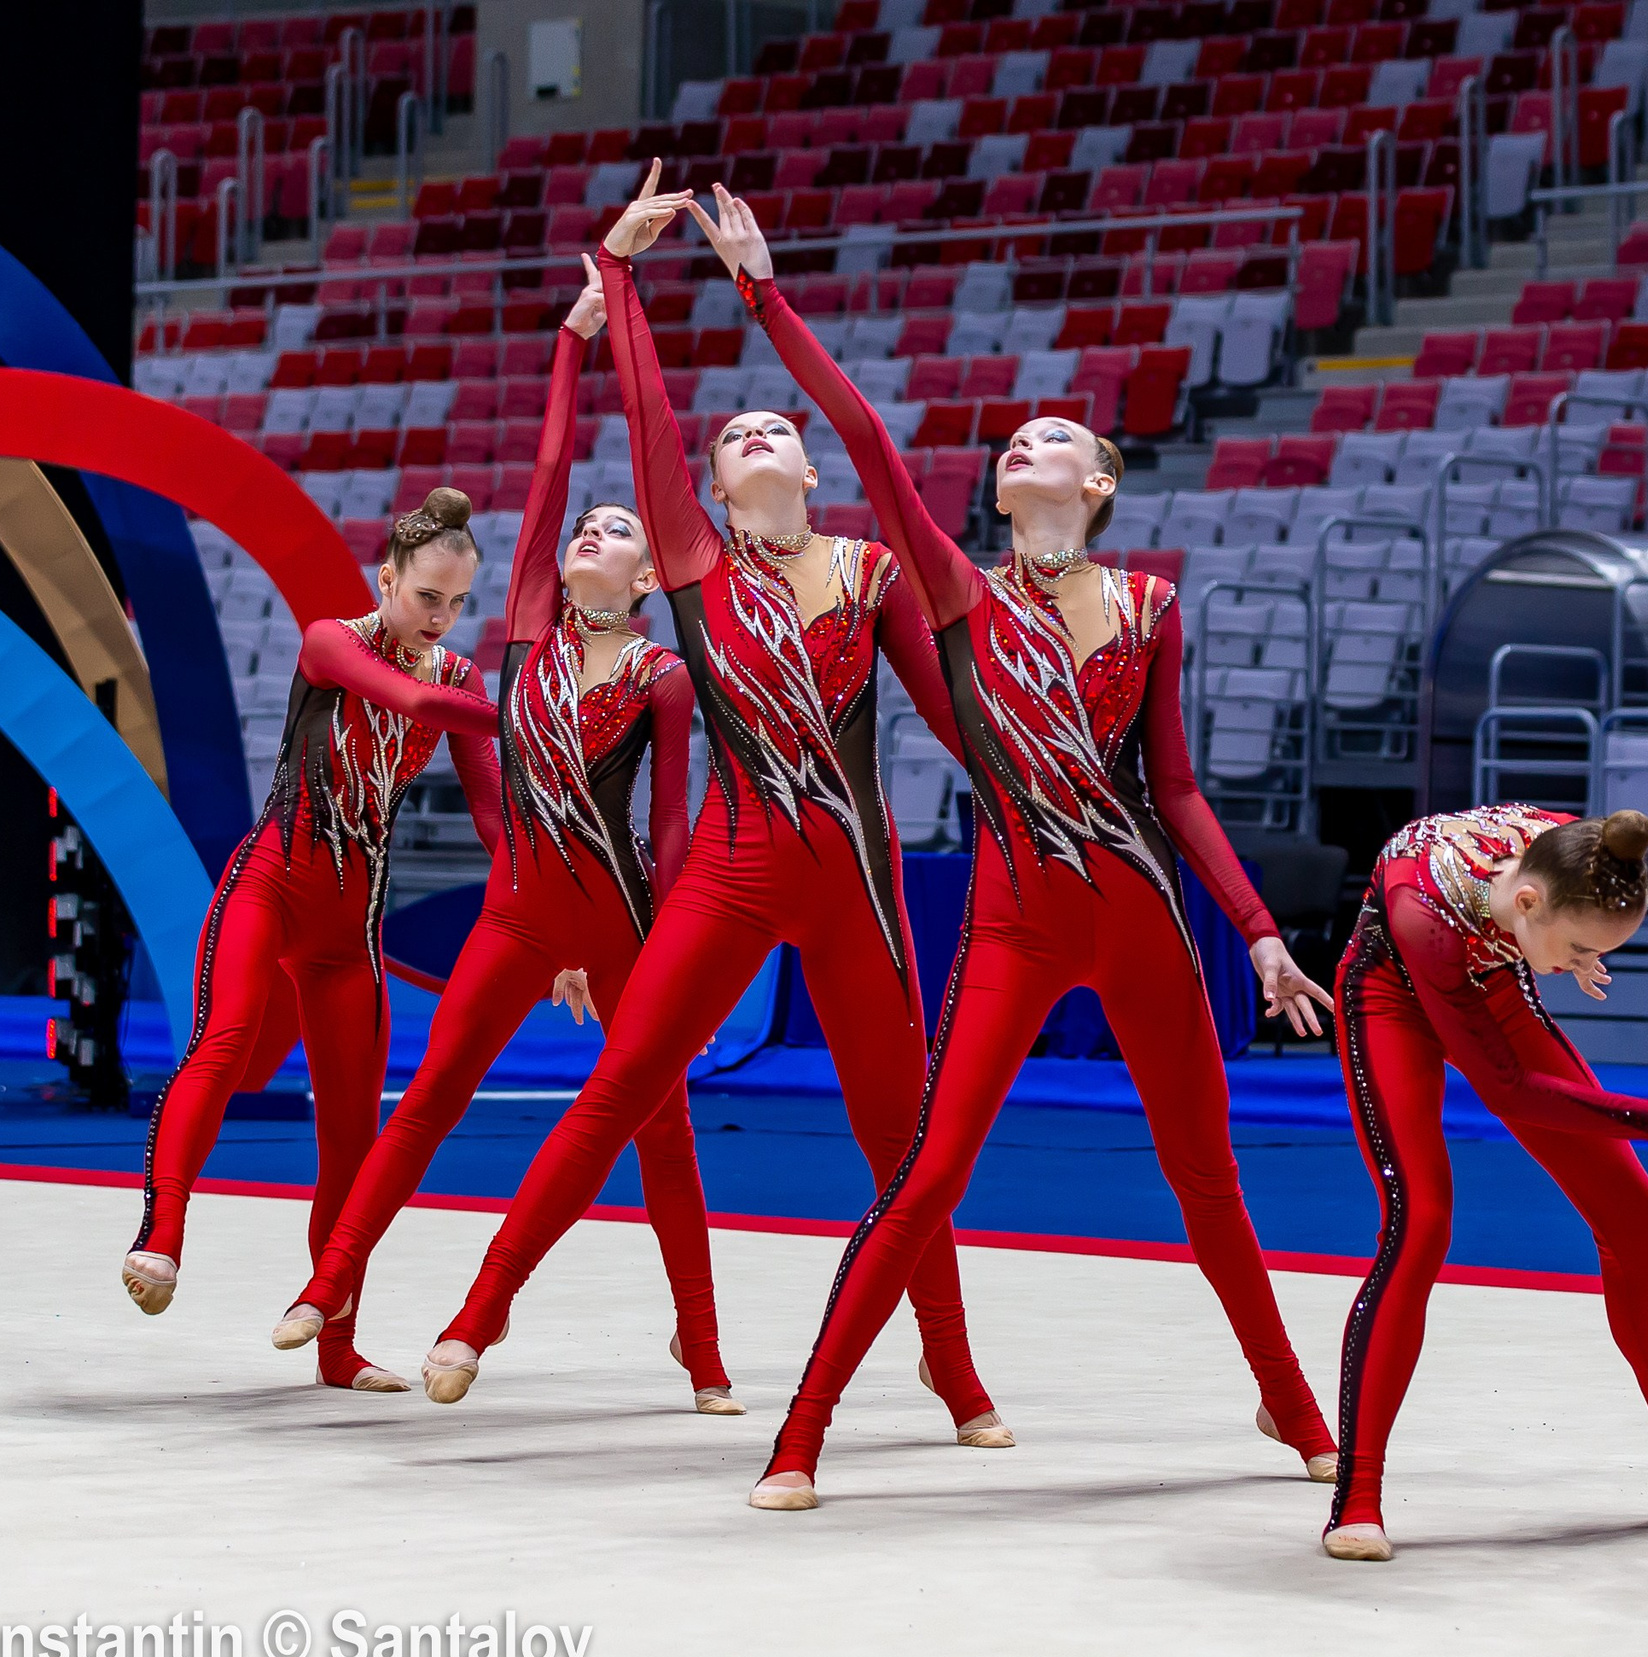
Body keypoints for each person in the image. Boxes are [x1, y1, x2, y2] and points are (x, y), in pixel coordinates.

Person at [688, 188, 1342, 1512]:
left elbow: (1177, 787)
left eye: (1048, 439)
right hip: (1014, 919)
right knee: (929, 1170)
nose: (1015, 451)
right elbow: (866, 440)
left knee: (1209, 1182)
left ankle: (1286, 1392)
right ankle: (802, 1428)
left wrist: (1262, 929)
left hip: (1146, 913)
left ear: (1098, 482)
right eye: (1006, 443)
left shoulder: (1152, 605)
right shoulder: (956, 594)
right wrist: (763, 295)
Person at [410, 168, 1006, 1446]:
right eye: (733, 439)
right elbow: (645, 421)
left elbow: (947, 714)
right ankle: (477, 1313)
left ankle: (952, 1370)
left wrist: (762, 292)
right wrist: (619, 277)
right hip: (728, 874)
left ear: (798, 465)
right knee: (620, 1084)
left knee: (900, 1135)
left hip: (856, 883)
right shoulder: (687, 564)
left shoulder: (870, 567)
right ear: (717, 496)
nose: (750, 435)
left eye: (769, 430)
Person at [270, 267, 734, 1409]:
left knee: (662, 1124)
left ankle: (702, 1342)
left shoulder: (667, 676)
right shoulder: (524, 640)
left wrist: (665, 947)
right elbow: (542, 475)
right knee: (428, 1097)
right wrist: (573, 342)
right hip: (519, 911)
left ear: (644, 573)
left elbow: (671, 830)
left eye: (617, 528)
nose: (591, 529)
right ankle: (330, 1284)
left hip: (621, 918)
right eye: (585, 525)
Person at [123, 489, 502, 1393]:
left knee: (350, 1139)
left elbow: (494, 816)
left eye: (456, 604)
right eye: (425, 598)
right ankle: (162, 1232)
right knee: (222, 1044)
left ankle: (339, 1347)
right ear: (387, 579)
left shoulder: (463, 679)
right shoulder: (333, 640)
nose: (440, 619)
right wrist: (532, 722)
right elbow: (404, 695)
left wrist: (561, 919)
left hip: (349, 928)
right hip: (269, 887)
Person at [1323, 806, 1648, 1563]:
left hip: (1489, 976)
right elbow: (1510, 1090)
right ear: (1528, 904)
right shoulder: (1422, 913)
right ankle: (1355, 1491)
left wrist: (1575, 946)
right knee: (1419, 1221)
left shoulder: (1573, 853)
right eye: (1582, 948)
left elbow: (1567, 916)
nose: (1583, 962)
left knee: (1635, 1213)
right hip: (1391, 991)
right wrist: (1647, 1115)